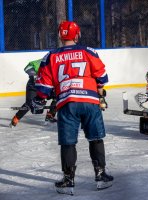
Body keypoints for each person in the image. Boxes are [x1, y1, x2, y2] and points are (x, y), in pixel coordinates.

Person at [30, 21, 113, 195]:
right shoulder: (88, 51)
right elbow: (102, 77)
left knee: (68, 142)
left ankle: (68, 180)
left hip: (67, 103)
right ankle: (100, 175)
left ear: (60, 36)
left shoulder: (50, 56)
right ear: (77, 35)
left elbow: (44, 86)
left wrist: (39, 99)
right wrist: (100, 95)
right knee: (95, 138)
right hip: (90, 102)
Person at [9, 59, 57, 128]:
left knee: (58, 96)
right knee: (29, 103)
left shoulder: (58, 65)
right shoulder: (44, 61)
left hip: (46, 87)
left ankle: (50, 115)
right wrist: (34, 75)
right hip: (33, 86)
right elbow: (27, 67)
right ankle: (16, 118)